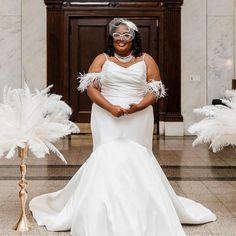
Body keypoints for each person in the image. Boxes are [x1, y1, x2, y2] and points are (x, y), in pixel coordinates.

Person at [29, 18, 216, 236]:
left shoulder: (146, 60)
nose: (121, 39)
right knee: (107, 156)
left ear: (134, 38)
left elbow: (155, 90)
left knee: (137, 157)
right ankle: (100, 209)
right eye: (117, 35)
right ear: (111, 37)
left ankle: (142, 207)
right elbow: (90, 89)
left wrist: (138, 107)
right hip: (106, 115)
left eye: (126, 35)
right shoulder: (102, 59)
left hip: (139, 115)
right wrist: (110, 107)